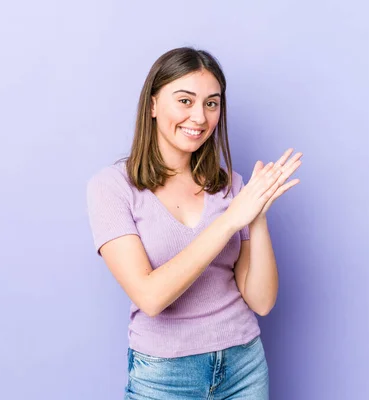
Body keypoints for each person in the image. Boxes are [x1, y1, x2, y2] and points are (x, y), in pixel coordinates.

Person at [86, 47, 302, 399]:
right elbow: (151, 297)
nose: (199, 117)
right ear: (153, 105)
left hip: (244, 368)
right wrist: (231, 220)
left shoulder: (231, 185)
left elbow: (261, 302)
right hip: (164, 378)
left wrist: (257, 216)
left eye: (211, 103)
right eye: (185, 101)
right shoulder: (112, 188)